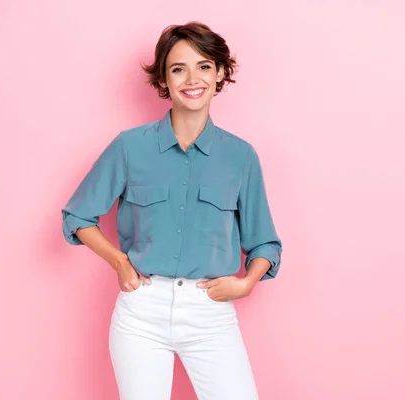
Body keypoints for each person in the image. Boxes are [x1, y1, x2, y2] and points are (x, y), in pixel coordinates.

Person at [61, 21, 282, 400]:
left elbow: (264, 243)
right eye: (178, 68)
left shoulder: (240, 157)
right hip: (141, 313)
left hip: (210, 313)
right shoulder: (130, 147)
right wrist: (118, 261)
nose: (192, 78)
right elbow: (78, 216)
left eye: (204, 66)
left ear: (221, 73)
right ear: (164, 79)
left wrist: (245, 284)